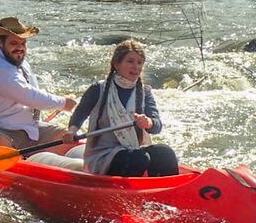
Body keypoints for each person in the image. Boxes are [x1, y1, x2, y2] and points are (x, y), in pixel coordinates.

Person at [63, 40, 179, 177]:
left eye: (140, 62)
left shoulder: (145, 91)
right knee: (139, 159)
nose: (136, 67)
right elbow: (79, 114)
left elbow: (157, 125)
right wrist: (71, 131)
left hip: (134, 149)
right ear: (116, 64)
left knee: (165, 153)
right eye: (130, 61)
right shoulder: (98, 89)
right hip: (104, 154)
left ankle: (165, 194)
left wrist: (148, 122)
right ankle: (125, 195)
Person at [0, 17, 76, 154]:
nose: (20, 48)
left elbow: (33, 95)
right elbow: (28, 95)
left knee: (64, 136)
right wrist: (63, 103)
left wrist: (61, 102)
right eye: (14, 43)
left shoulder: (21, 63)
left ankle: (48, 165)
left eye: (23, 43)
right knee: (0, 143)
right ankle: (19, 165)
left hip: (27, 129)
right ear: (0, 43)